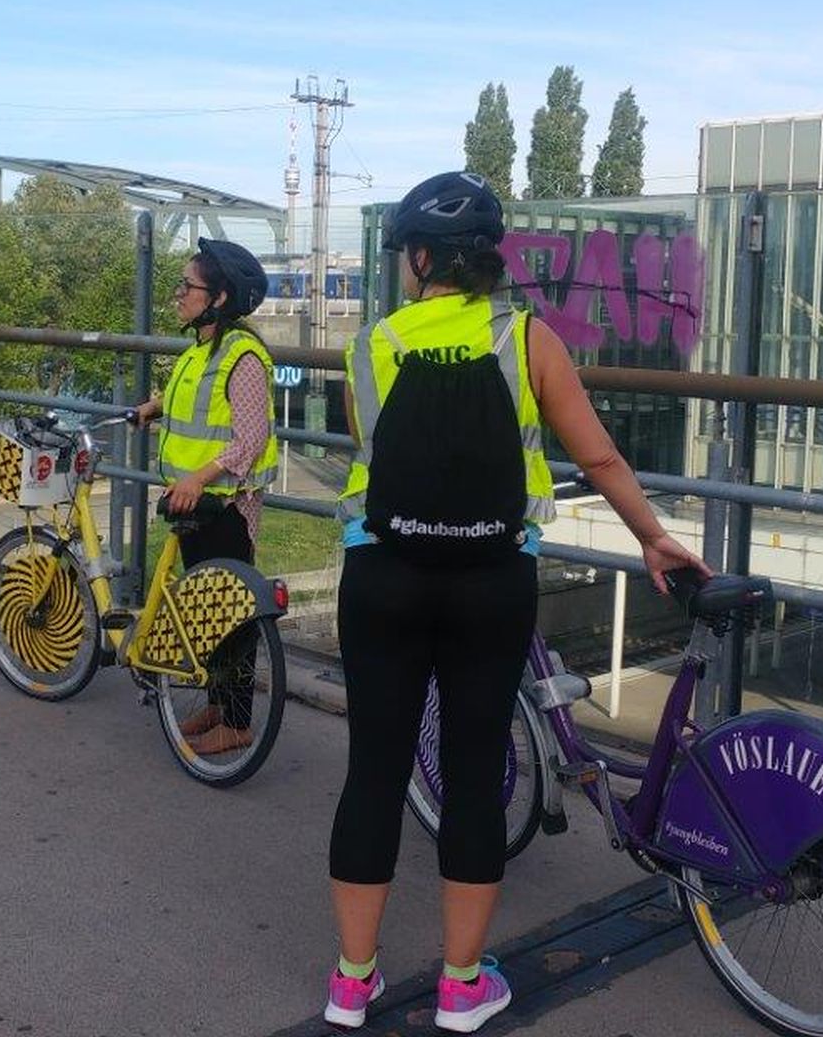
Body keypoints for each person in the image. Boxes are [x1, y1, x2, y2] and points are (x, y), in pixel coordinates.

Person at [321, 172, 707, 1032]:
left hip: (381, 575)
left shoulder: (370, 344)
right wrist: (651, 535)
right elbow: (599, 458)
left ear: (419, 259)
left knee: (374, 773)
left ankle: (351, 983)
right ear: (487, 258)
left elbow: (371, 448)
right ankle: (462, 984)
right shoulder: (530, 338)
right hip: (489, 580)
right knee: (469, 776)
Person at [130, 238, 278, 755]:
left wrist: (199, 476)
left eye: (187, 287)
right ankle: (217, 705)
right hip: (197, 503)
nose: (178, 295)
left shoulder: (244, 357)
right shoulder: (200, 350)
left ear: (218, 298)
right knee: (205, 608)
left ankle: (237, 722)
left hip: (227, 505)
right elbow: (190, 401)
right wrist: (153, 407)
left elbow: (250, 436)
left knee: (231, 614)